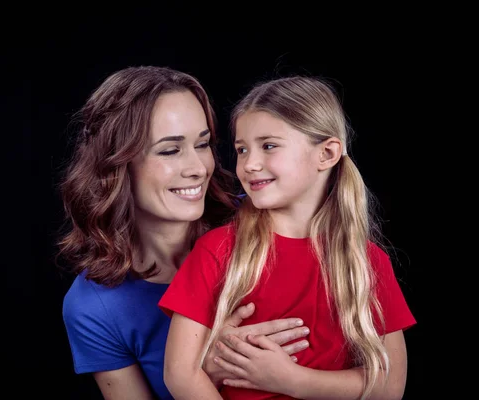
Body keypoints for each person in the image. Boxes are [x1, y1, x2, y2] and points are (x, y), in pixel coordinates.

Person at [57, 66, 311, 399]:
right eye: (170, 150)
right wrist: (202, 371)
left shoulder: (262, 219)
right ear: (115, 165)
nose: (197, 168)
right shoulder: (93, 305)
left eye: (202, 144)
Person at [159, 75, 417, 399]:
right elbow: (180, 374)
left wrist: (293, 380)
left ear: (327, 154)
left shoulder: (366, 261)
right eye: (241, 149)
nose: (249, 164)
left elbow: (390, 386)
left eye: (268, 146)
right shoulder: (217, 250)